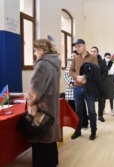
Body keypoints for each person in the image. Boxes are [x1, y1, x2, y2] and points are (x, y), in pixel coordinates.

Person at [25, 39, 61, 167]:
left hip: (42, 107)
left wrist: (29, 100)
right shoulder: (54, 63)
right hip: (52, 106)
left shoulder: (42, 65)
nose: (35, 53)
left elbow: (34, 92)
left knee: (41, 136)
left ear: (41, 50)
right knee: (49, 137)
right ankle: (52, 161)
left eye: (35, 50)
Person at [69, 39, 99, 140]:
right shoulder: (75, 59)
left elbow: (96, 71)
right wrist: (77, 77)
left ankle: (93, 131)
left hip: (89, 88)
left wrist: (84, 77)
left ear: (84, 46)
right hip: (78, 88)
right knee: (78, 111)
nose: (77, 48)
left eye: (79, 46)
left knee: (91, 110)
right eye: (76, 47)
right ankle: (77, 131)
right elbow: (71, 71)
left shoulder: (93, 58)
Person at [90, 47, 108, 121]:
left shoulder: (102, 62)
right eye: (92, 51)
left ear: (97, 52)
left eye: (94, 51)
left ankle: (100, 115)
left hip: (100, 84)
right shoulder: (88, 61)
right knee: (91, 100)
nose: (93, 53)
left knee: (101, 100)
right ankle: (92, 115)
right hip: (91, 84)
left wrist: (100, 81)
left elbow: (105, 72)